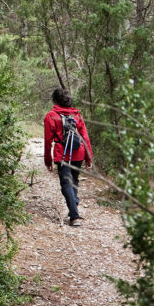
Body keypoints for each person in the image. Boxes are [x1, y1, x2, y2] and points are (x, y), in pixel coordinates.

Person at [43, 88, 93, 226]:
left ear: (55, 100)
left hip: (63, 154)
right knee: (74, 181)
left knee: (66, 184)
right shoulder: (77, 115)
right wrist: (89, 158)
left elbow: (48, 141)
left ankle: (74, 215)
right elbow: (85, 138)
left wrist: (47, 160)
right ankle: (74, 206)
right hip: (79, 153)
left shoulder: (51, 116)